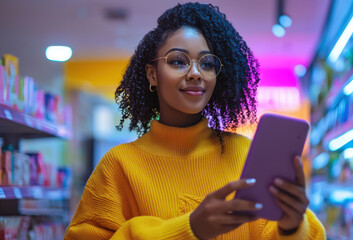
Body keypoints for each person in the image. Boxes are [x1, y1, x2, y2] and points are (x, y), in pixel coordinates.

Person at [64, 2, 326, 240]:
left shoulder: (245, 155)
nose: (195, 73)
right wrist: (190, 229)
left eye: (207, 63)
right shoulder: (119, 165)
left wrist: (291, 227)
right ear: (152, 74)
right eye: (178, 61)